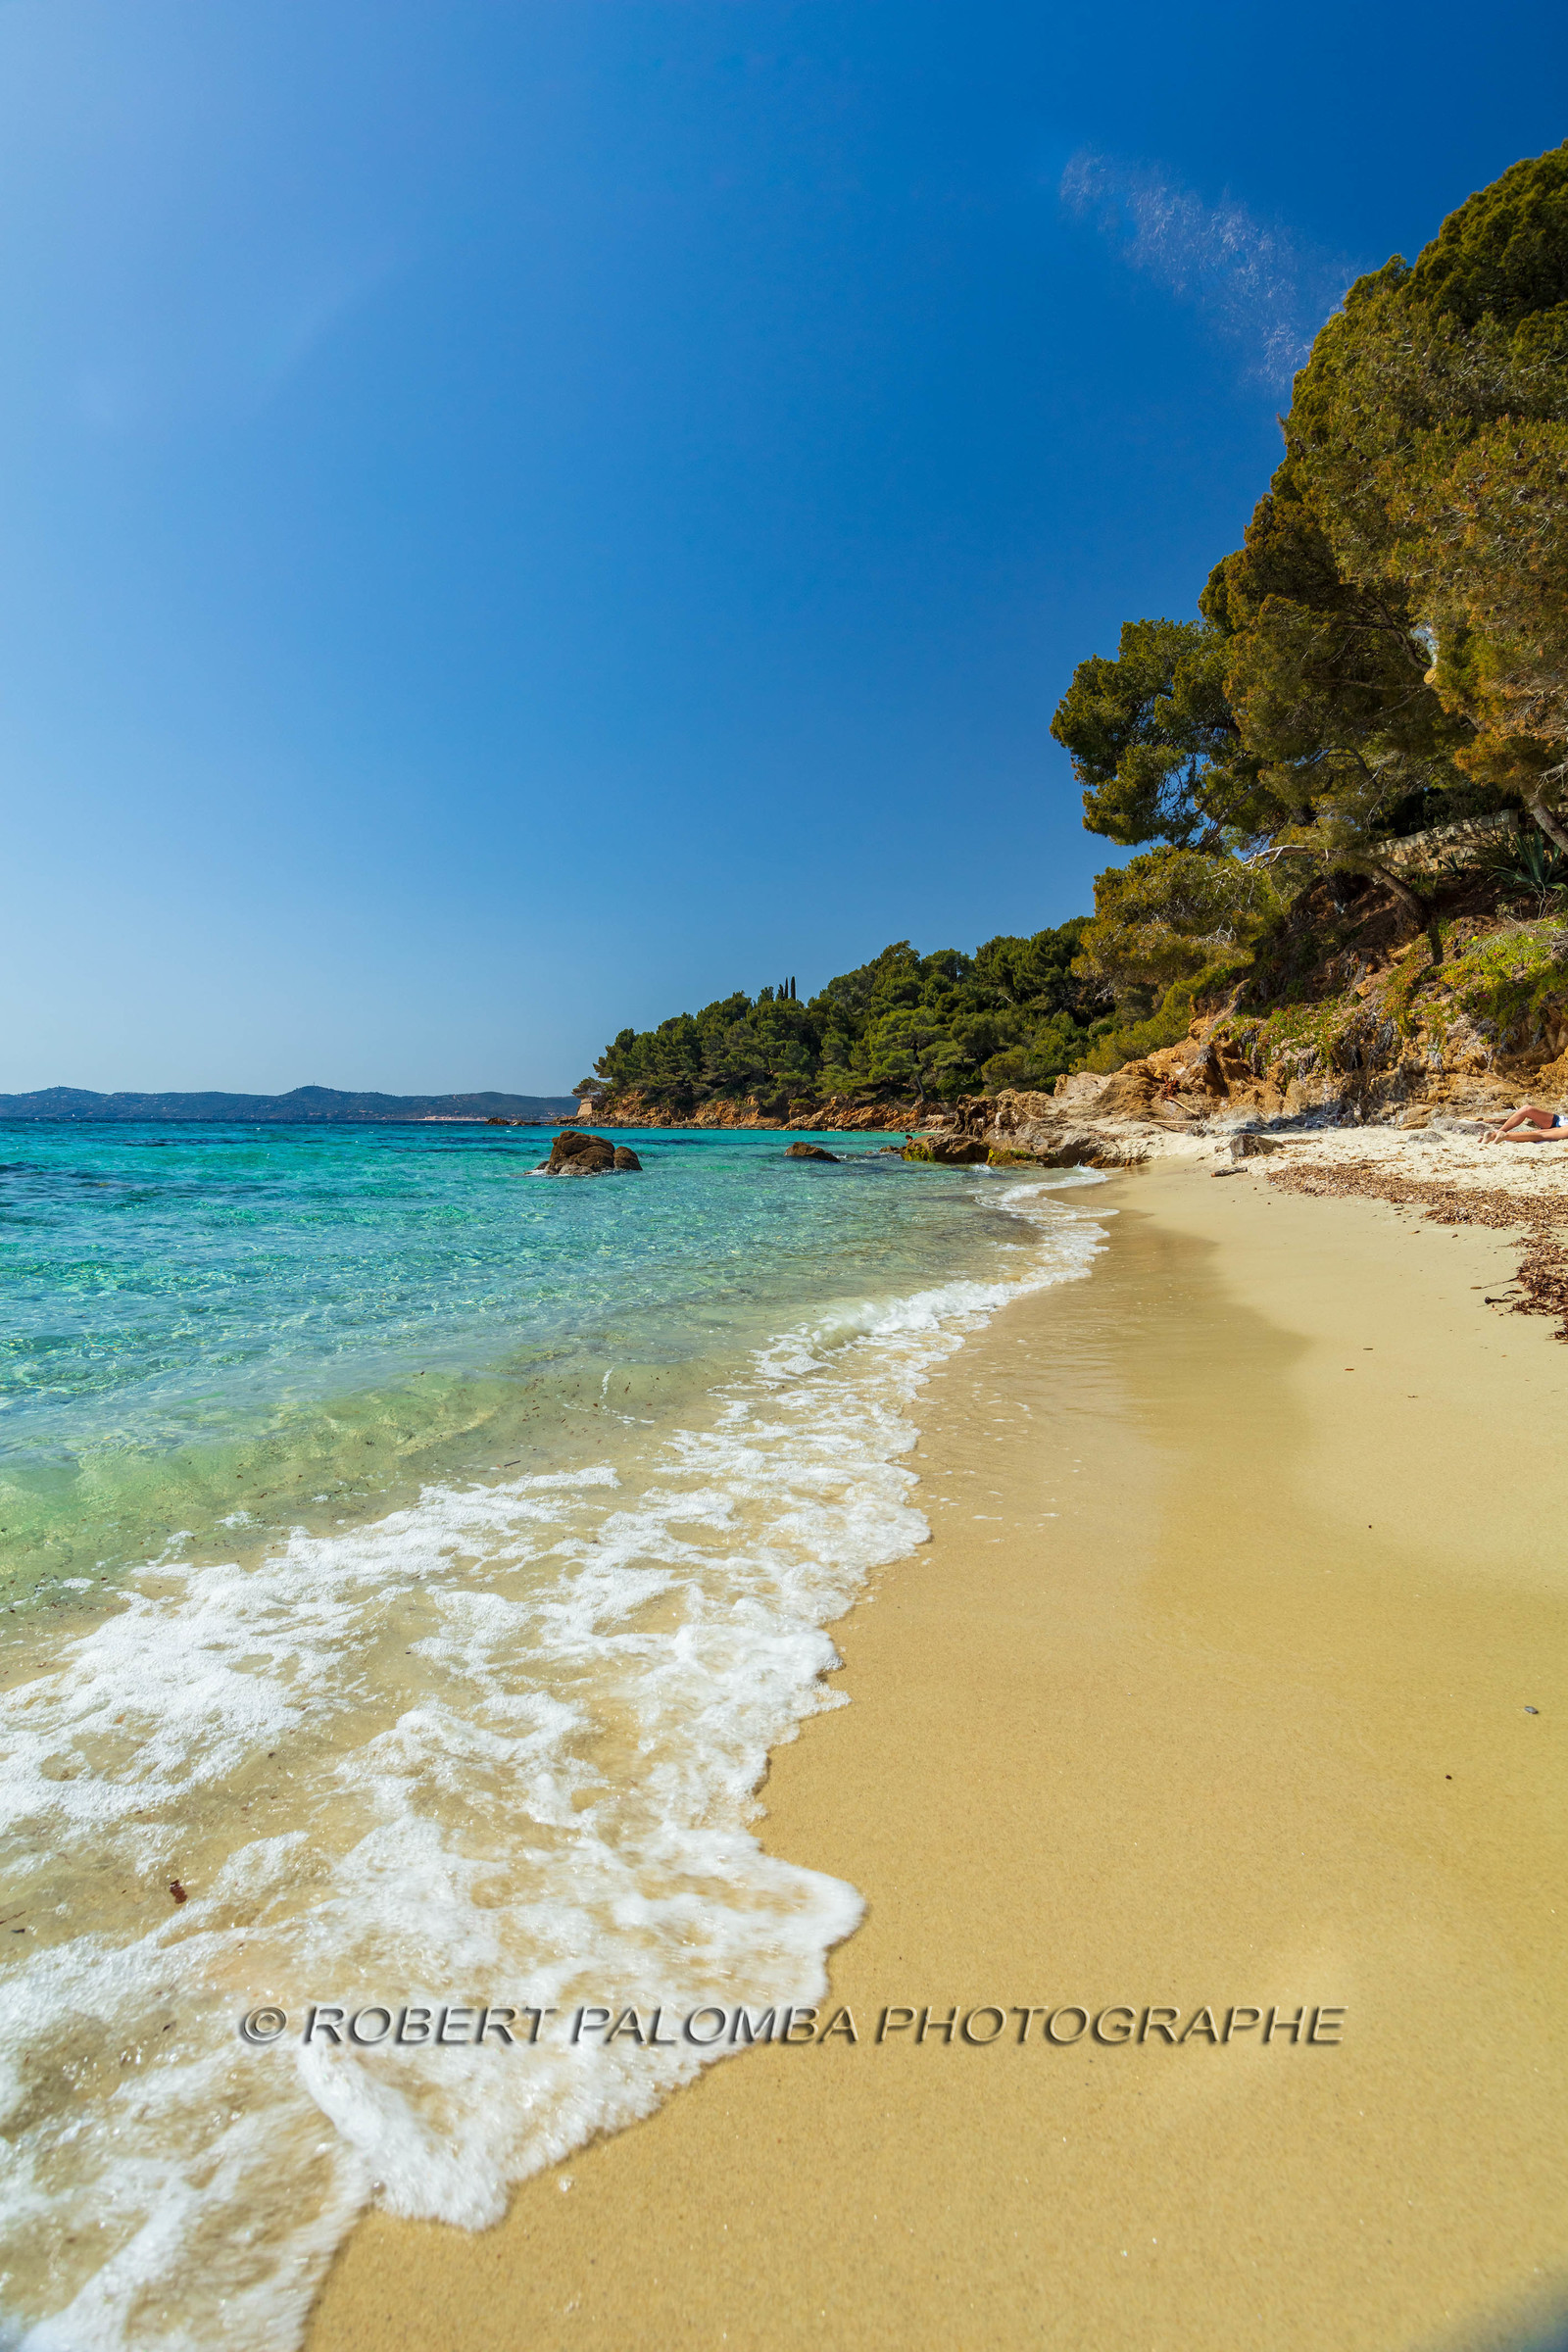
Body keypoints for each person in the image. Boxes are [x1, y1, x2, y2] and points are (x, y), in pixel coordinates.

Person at [1480, 1103, 1568, 1143]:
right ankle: (1498, 1134)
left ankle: (1494, 1136)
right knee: (1527, 1109)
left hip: (1562, 1122)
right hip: (1562, 1122)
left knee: (1542, 1133)